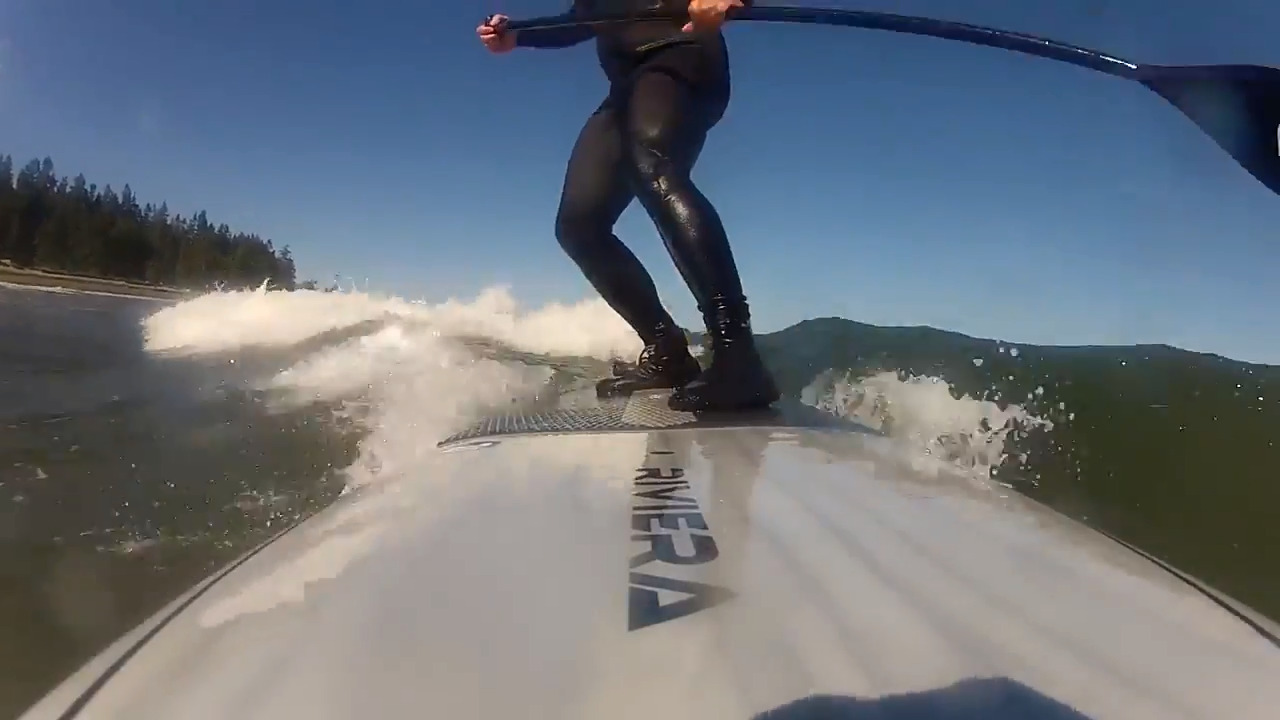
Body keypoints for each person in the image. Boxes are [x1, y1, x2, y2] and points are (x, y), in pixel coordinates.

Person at [476, 0, 780, 413]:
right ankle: (667, 351)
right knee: (579, 226)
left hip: (682, 54)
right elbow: (579, 21)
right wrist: (518, 36)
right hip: (626, 88)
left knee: (653, 165)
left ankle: (738, 355)